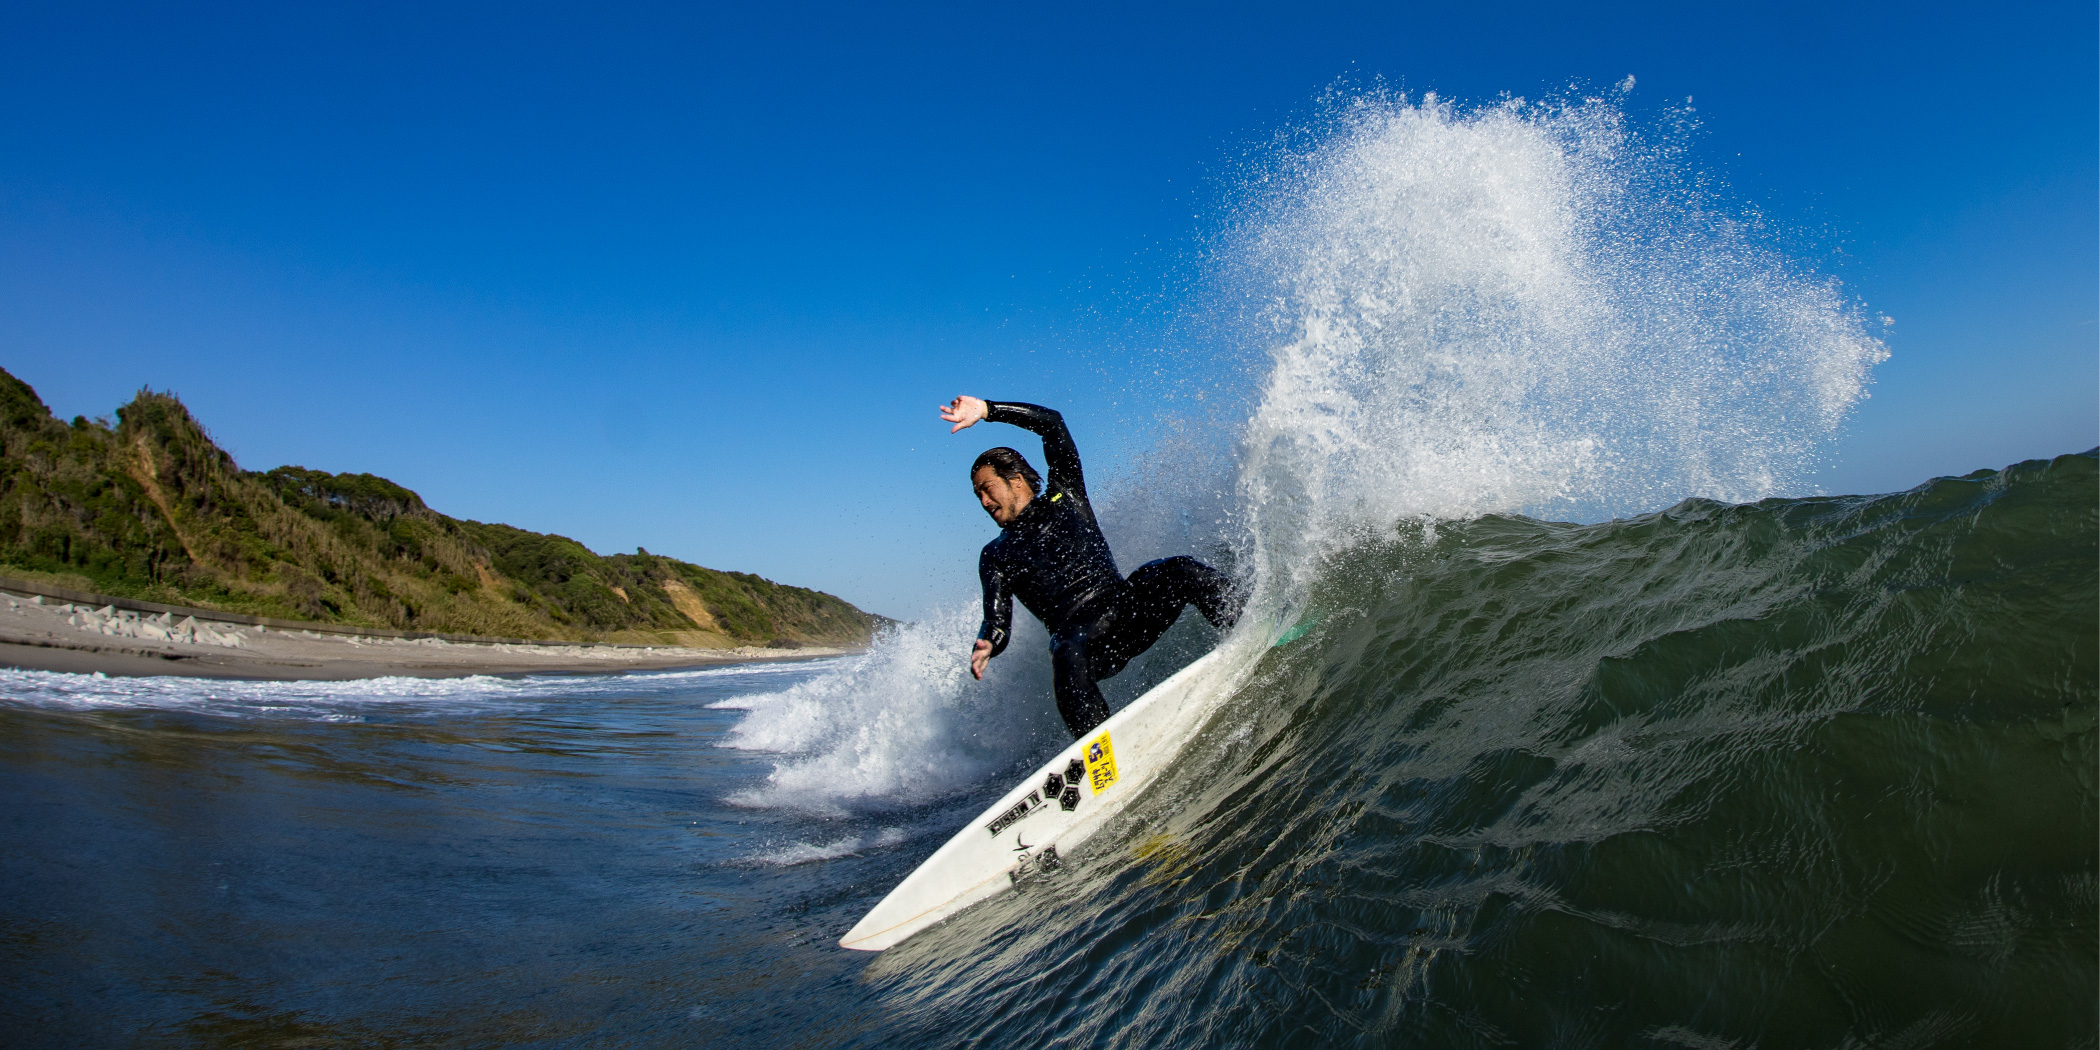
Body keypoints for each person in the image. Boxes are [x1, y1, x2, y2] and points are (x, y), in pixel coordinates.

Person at [940, 395, 1244, 738]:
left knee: (1180, 569)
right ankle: (1098, 752)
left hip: (1126, 613)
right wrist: (988, 642)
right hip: (1086, 647)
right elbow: (996, 621)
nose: (983, 501)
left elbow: (1052, 424)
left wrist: (987, 410)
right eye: (977, 494)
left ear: (1016, 480)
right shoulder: (995, 554)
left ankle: (1251, 625)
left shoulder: (1065, 493)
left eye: (987, 488)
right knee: (1065, 646)